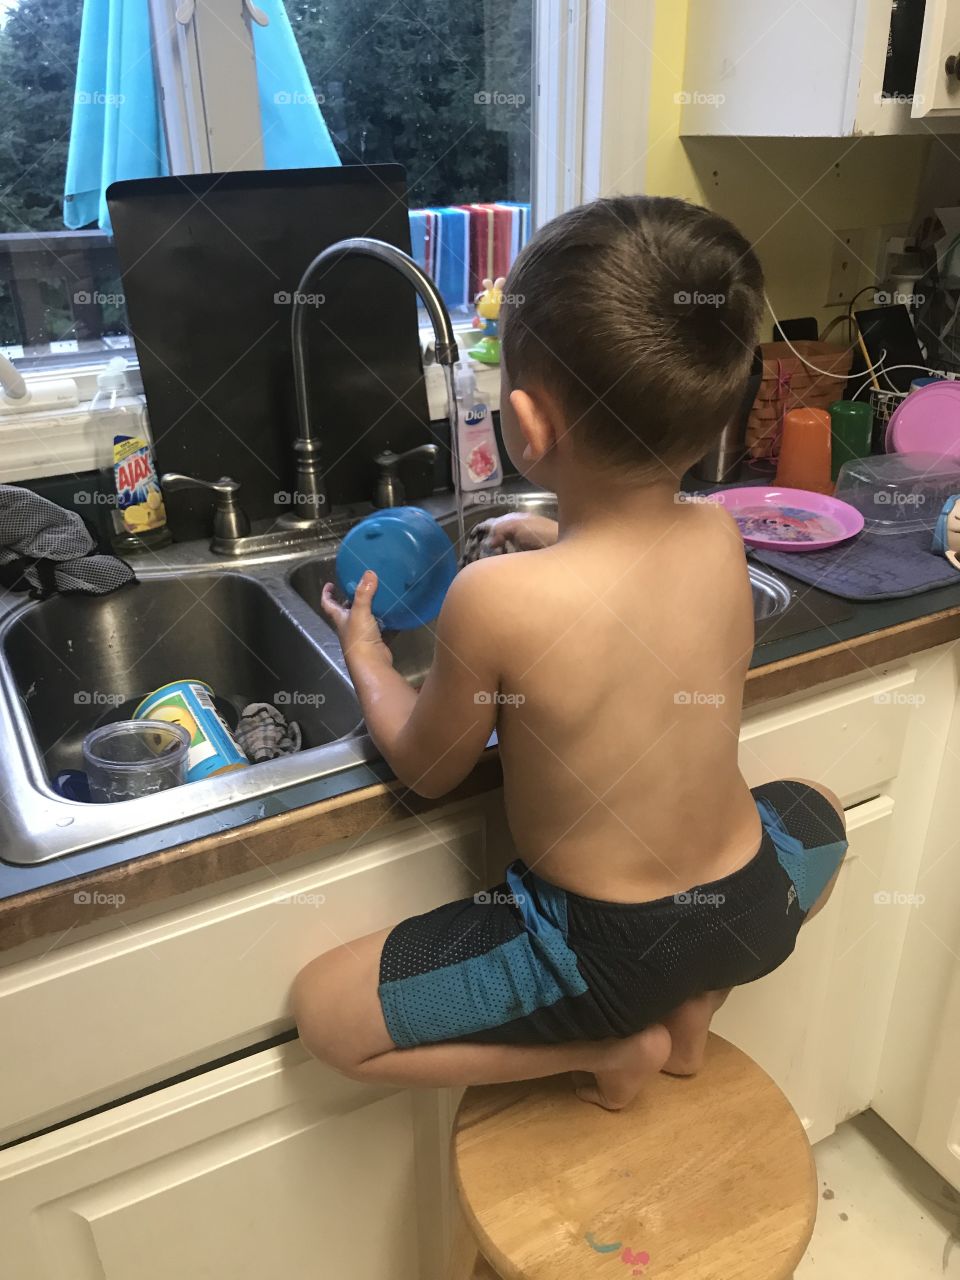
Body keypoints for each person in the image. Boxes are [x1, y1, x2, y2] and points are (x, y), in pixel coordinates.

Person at [292, 195, 848, 1110]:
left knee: (325, 1014)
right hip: (751, 909)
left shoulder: (493, 601)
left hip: (601, 948)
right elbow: (626, 584)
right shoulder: (717, 536)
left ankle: (610, 1052)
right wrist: (560, 536)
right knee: (821, 804)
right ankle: (696, 1010)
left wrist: (368, 658)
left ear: (528, 422)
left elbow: (430, 769)